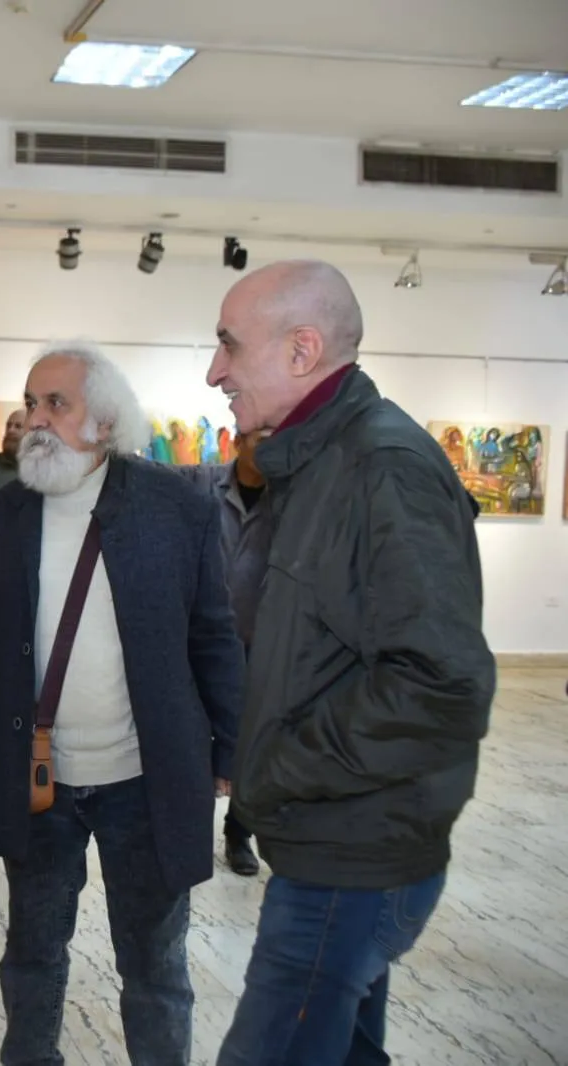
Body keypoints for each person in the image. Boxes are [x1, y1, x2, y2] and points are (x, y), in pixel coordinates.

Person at [207, 261, 494, 1066]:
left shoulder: (379, 466)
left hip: (350, 856)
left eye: (229, 344)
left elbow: (441, 684)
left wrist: (280, 766)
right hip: (336, 840)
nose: (214, 371)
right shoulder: (322, 462)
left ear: (301, 350)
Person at [0, 340, 244, 1066]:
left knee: (154, 961)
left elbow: (212, 635)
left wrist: (231, 747)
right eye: (29, 402)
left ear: (104, 422)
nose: (35, 419)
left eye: (55, 404)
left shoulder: (177, 507)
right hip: (39, 779)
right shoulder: (6, 512)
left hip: (146, 780)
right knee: (32, 954)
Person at [177, 430, 275, 878]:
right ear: (238, 441)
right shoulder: (202, 482)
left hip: (260, 640)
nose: (269, 447)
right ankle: (187, 828)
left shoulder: (291, 498)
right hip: (200, 640)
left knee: (250, 742)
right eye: (261, 438)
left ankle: (240, 831)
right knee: (191, 734)